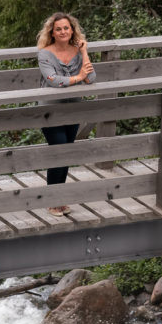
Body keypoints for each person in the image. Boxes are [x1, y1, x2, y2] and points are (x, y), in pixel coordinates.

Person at [36, 12, 96, 215]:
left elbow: (91, 78)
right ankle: (53, 202)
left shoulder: (77, 51)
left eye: (66, 28)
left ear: (72, 31)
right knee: (58, 151)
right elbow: (53, 80)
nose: (63, 31)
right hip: (50, 111)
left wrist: (84, 51)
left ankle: (60, 200)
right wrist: (79, 77)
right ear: (52, 32)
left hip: (73, 110)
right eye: (58, 29)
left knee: (66, 153)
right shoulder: (44, 53)